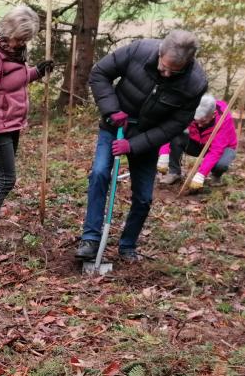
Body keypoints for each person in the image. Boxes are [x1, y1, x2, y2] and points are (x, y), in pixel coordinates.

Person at [75, 30, 208, 262]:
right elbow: (99, 74)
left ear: (187, 63)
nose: (165, 74)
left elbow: (176, 123)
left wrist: (133, 145)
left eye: (173, 72)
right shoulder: (139, 50)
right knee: (99, 174)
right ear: (159, 52)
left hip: (148, 137)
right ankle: (90, 239)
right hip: (114, 125)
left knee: (144, 196)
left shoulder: (195, 83)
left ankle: (128, 245)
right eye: (163, 66)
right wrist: (111, 110)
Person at [0, 5, 53, 216]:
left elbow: (14, 79)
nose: (21, 44)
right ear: (8, 31)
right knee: (8, 178)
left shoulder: (12, 53)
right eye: (19, 39)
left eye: (25, 40)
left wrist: (37, 72)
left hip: (11, 124)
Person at [157, 94, 238, 190]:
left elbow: (216, 150)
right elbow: (171, 128)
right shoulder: (189, 108)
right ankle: (174, 172)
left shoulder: (224, 119)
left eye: (203, 121)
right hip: (198, 142)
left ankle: (216, 175)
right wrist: (164, 153)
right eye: (197, 121)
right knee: (176, 138)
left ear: (213, 114)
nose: (199, 125)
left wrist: (201, 175)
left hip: (222, 147)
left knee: (221, 164)